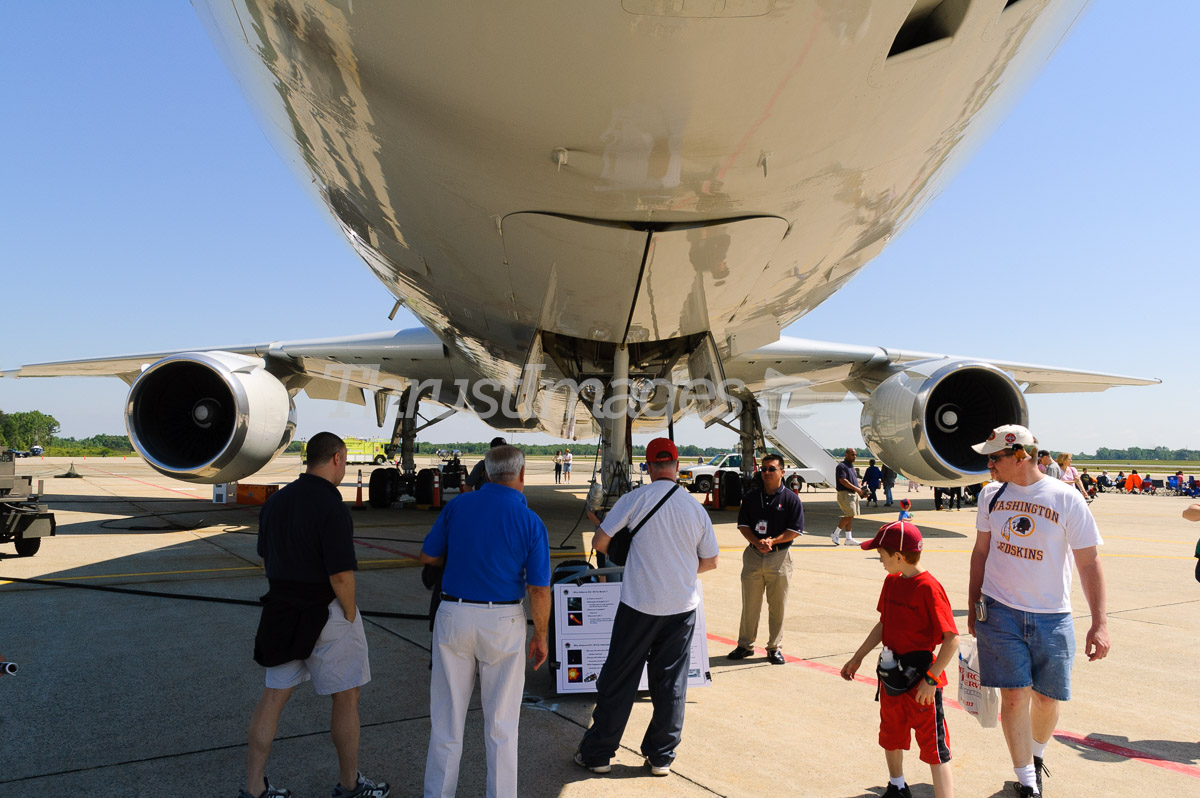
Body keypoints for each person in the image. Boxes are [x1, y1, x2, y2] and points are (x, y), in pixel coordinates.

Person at [241, 432, 390, 798]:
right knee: (346, 696)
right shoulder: (331, 505)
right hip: (325, 612)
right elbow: (340, 574)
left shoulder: (276, 502)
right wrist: (350, 614)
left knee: (273, 696)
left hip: (281, 610)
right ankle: (350, 784)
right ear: (337, 459)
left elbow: (265, 558)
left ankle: (254, 788)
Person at [968, 425, 1109, 798]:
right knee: (1014, 697)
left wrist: (1100, 623)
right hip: (1000, 611)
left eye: (994, 457)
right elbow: (981, 552)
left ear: (1020, 455)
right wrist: (973, 603)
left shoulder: (1066, 498)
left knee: (1047, 699)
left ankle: (1036, 755)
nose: (989, 464)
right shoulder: (990, 497)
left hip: (1052, 615)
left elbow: (1089, 563)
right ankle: (1026, 780)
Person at [576, 438, 719, 777]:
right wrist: (678, 573)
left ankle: (598, 754)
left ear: (649, 465)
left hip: (639, 605)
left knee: (619, 679)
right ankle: (661, 757)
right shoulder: (694, 508)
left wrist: (630, 559)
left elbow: (599, 542)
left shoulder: (635, 498)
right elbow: (710, 561)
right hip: (681, 608)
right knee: (670, 683)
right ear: (677, 464)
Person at [418, 445, 551, 798]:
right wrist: (541, 635)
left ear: (487, 474)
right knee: (502, 726)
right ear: (521, 475)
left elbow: (428, 554)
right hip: (503, 620)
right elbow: (538, 589)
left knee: (446, 723)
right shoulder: (531, 521)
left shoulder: (458, 505)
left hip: (454, 615)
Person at [841, 521, 959, 798]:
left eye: (882, 554)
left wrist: (931, 680)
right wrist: (858, 657)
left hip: (921, 679)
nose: (879, 559)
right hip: (892, 674)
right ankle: (897, 786)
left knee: (933, 746)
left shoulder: (929, 587)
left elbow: (952, 638)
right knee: (891, 733)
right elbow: (884, 623)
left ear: (899, 556)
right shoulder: (892, 581)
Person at [727, 453, 805, 665]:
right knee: (750, 604)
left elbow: (795, 530)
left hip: (779, 558)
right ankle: (745, 645)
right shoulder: (752, 497)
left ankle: (774, 647)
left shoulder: (791, 499)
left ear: (782, 472)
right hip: (753, 555)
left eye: (771, 469)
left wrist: (773, 541)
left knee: (777, 605)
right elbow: (743, 524)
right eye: (764, 469)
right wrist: (757, 541)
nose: (767, 473)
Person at [833, 449, 867, 546]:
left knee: (849, 515)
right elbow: (843, 481)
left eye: (855, 455)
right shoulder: (841, 466)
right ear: (846, 454)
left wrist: (861, 491)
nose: (854, 457)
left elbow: (853, 481)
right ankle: (835, 533)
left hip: (852, 494)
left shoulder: (851, 466)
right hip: (845, 494)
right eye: (852, 455)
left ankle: (848, 538)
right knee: (850, 514)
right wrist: (857, 489)